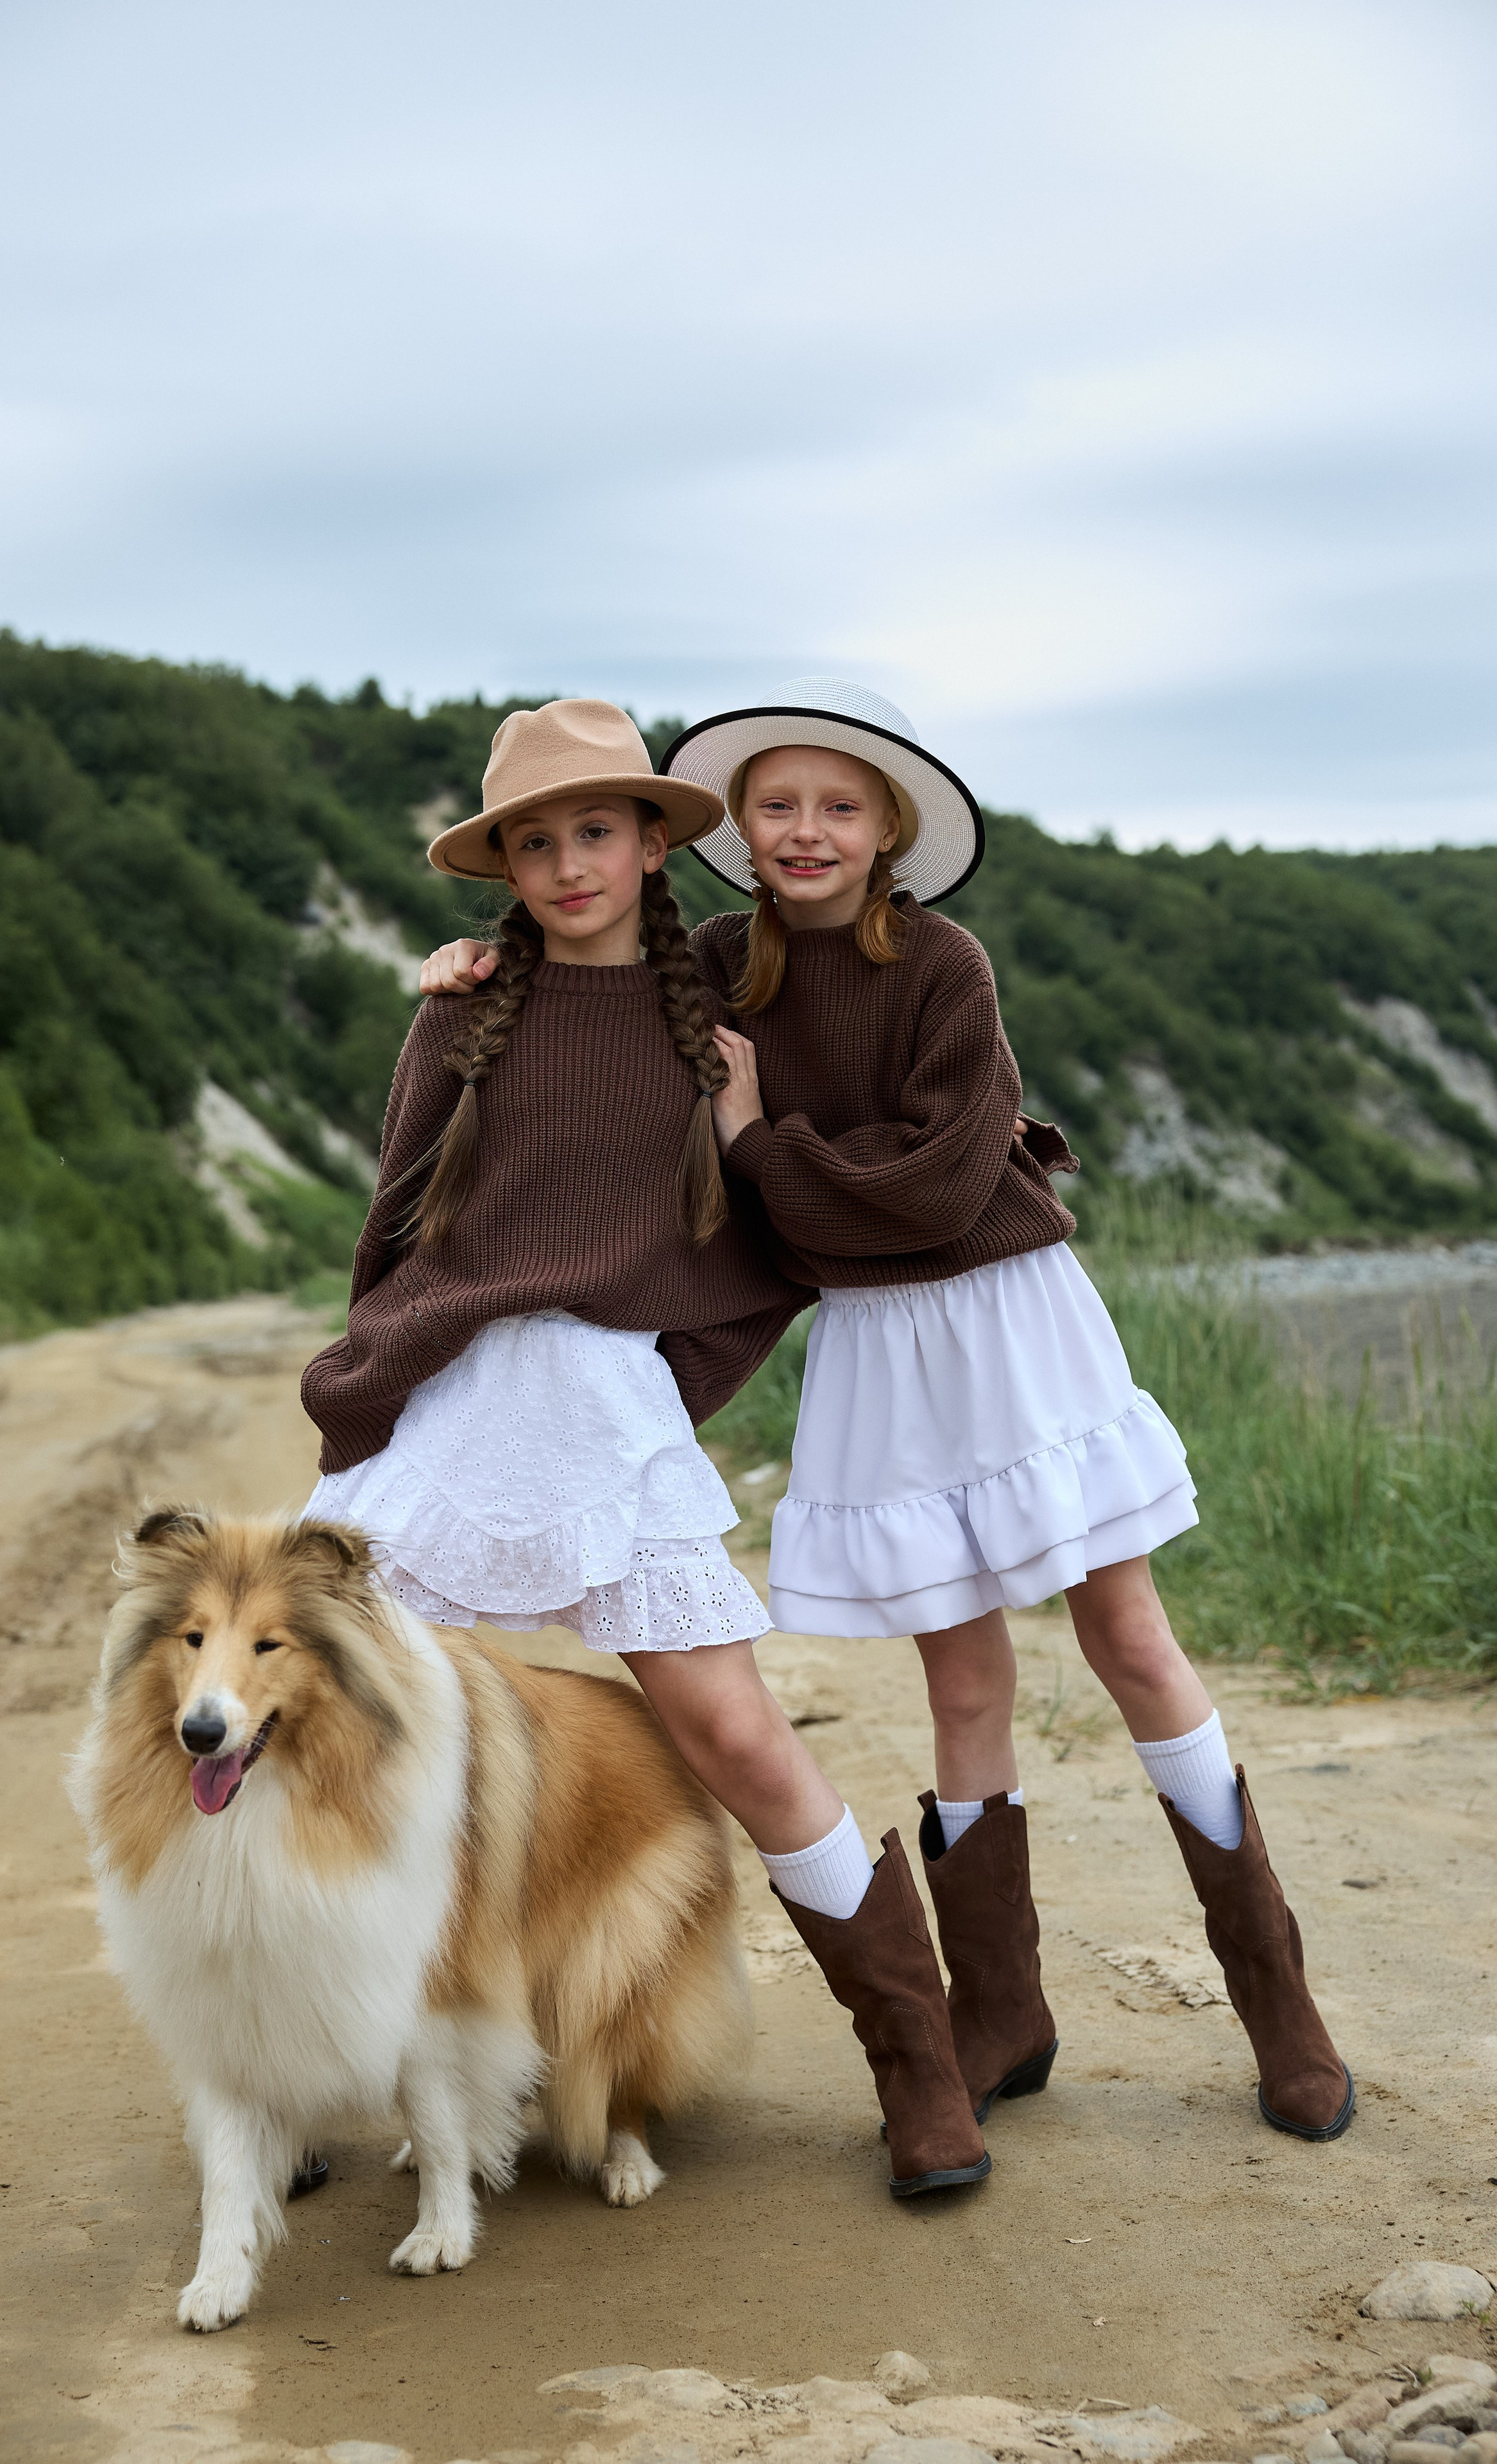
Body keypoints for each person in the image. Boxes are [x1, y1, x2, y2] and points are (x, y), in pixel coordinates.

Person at [418, 679, 1354, 2148]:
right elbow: (594, 1003)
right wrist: (484, 963)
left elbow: (928, 1190)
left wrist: (756, 1143)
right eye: (777, 805)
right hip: (873, 1341)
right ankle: (998, 2013)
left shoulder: (942, 965)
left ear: (887, 829)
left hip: (1008, 1315)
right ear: (736, 832)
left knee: (1126, 1637)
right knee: (960, 1683)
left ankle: (1274, 2001)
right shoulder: (712, 971)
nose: (805, 831)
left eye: (838, 807)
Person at [303, 696, 994, 2198]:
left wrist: (677, 1375)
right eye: (534, 844)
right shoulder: (462, 1010)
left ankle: (917, 2062)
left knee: (734, 1735)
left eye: (595, 832)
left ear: (651, 843)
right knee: (343, 1737)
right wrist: (360, 1393)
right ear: (504, 867)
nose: (568, 866)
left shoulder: (718, 1012)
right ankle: (310, 2084)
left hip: (606, 1412)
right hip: (444, 1406)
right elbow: (394, 1222)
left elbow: (769, 1221)